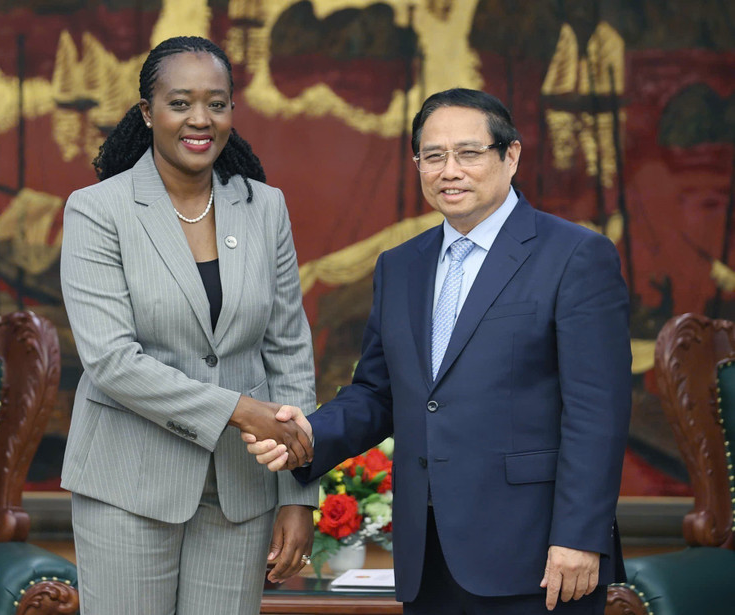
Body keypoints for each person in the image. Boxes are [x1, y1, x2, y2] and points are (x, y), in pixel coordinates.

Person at [245, 88, 631, 614]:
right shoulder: (400, 266)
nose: (450, 170)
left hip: (540, 556)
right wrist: (309, 434)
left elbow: (598, 412)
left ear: (510, 155)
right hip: (427, 557)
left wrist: (580, 536)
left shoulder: (575, 256)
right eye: (433, 156)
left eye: (468, 153)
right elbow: (379, 393)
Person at [59, 35, 317, 615]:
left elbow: (290, 354)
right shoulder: (98, 209)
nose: (200, 119)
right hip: (128, 485)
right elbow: (112, 362)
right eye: (180, 103)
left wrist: (300, 494)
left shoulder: (265, 207)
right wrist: (237, 409)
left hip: (240, 492)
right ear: (148, 113)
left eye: (217, 103)